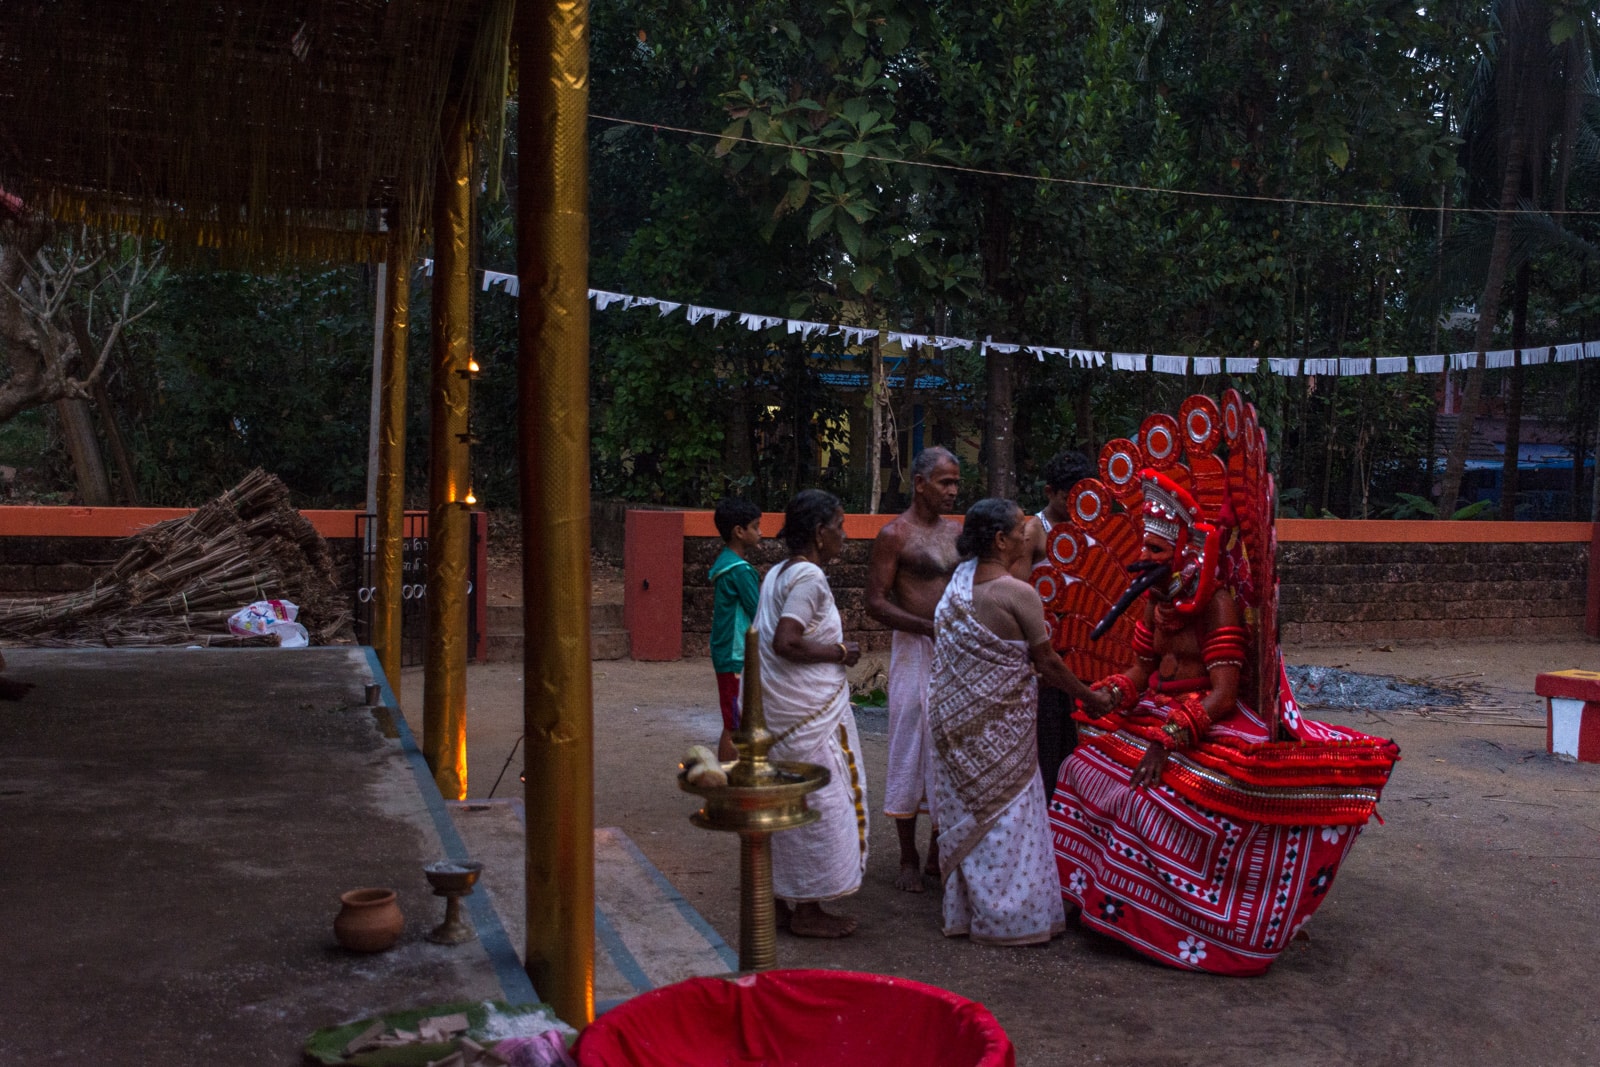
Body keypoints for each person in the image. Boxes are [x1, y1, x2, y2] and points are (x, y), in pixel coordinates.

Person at [1051, 468, 1398, 975]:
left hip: (1206, 719)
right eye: (1143, 550)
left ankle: (1180, 924)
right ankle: (1095, 901)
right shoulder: (1156, 601)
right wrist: (1110, 692)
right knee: (1079, 766)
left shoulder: (1215, 603)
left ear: (1180, 551)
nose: (1143, 559)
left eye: (1154, 551)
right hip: (1158, 711)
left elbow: (1222, 696)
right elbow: (1140, 670)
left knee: (1146, 799)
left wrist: (1166, 741)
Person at [928, 499, 1110, 945]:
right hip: (1000, 729)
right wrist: (1090, 697)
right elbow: (1046, 662)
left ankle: (971, 913)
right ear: (1001, 540)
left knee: (974, 813)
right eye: (1021, 527)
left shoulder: (959, 583)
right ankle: (1010, 919)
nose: (1028, 531)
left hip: (952, 723)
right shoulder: (1018, 594)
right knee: (1007, 814)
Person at [756, 489, 867, 938]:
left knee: (789, 803)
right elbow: (787, 640)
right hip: (807, 715)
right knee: (820, 802)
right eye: (839, 526)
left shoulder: (777, 573)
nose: (844, 535)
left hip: (784, 712)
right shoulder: (809, 579)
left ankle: (784, 901)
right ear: (820, 534)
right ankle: (808, 908)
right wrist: (841, 651)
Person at [865, 445, 961, 893]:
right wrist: (926, 626)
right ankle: (907, 856)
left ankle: (938, 853)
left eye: (956, 483)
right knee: (908, 743)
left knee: (950, 744)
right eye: (945, 482)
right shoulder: (894, 535)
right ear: (920, 483)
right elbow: (876, 602)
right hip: (912, 651)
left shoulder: (957, 533)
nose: (952, 491)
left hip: (953, 653)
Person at [1018, 450, 1098, 791]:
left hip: (1087, 649)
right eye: (1069, 497)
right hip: (1046, 650)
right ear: (1050, 492)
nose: (1077, 503)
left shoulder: (1094, 526)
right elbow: (1017, 593)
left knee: (1084, 744)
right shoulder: (1033, 531)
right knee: (1048, 741)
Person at [708, 497, 763, 762]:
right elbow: (759, 610)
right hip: (736, 654)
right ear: (739, 532)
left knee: (734, 720)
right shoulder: (741, 571)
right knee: (734, 723)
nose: (760, 532)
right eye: (755, 526)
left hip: (728, 652)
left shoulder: (726, 564)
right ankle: (728, 782)